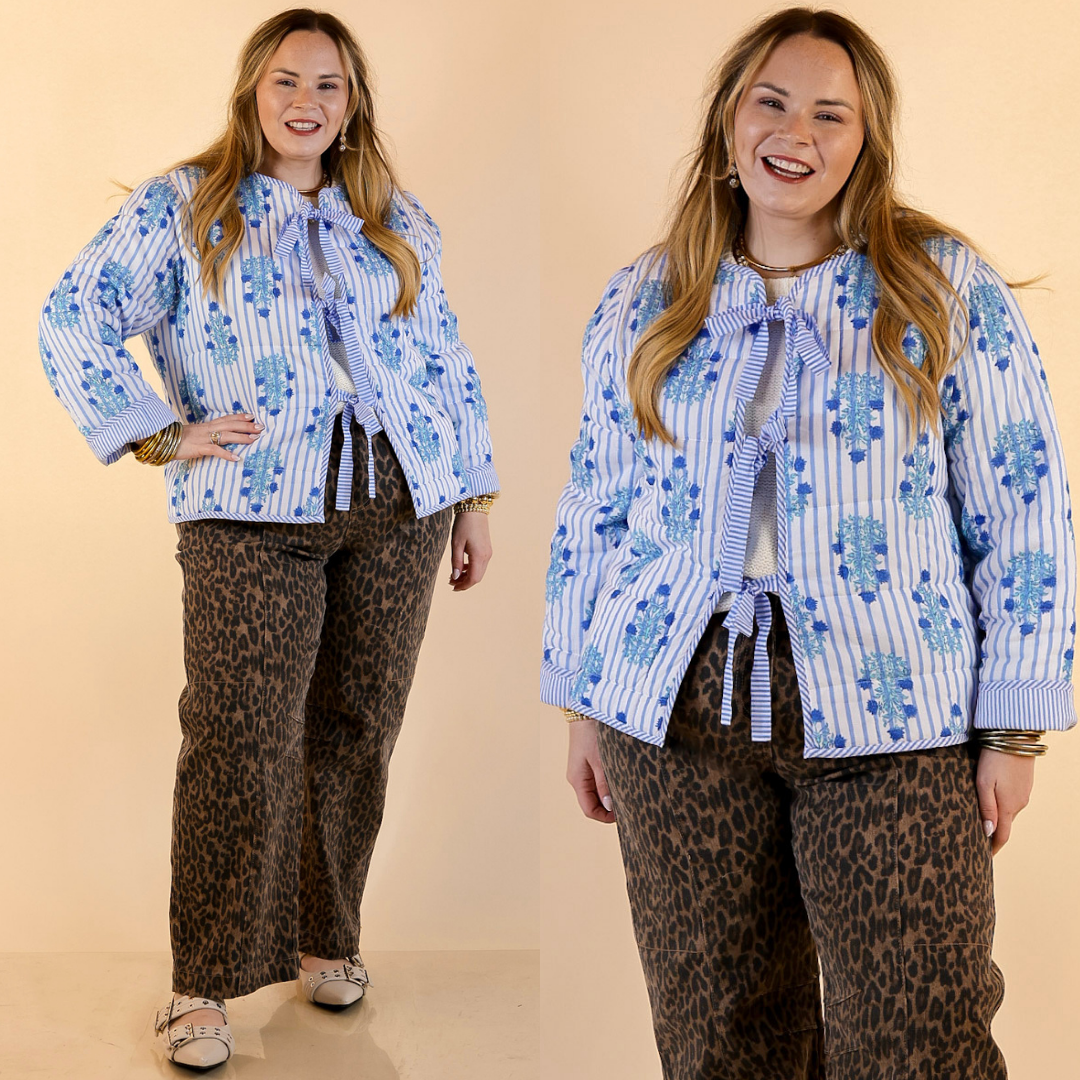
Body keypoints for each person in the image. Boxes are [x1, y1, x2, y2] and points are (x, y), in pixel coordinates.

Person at [542, 8, 1074, 1078]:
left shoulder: (940, 284)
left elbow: (1023, 505)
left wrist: (1013, 731)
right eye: (772, 102)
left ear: (867, 139)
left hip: (895, 703)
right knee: (721, 1036)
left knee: (918, 1034)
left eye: (832, 114)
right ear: (729, 121)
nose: (796, 133)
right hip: (671, 705)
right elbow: (598, 503)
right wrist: (582, 704)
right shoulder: (646, 297)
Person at [39, 8, 497, 1071]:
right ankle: (199, 982)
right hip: (249, 505)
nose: (306, 102)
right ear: (253, 90)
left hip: (401, 500)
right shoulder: (185, 206)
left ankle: (325, 939)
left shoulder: (395, 218)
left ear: (352, 103)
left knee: (356, 727)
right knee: (239, 734)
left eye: (328, 85)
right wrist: (161, 433)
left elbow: (444, 356)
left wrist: (473, 494)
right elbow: (71, 314)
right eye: (287, 80)